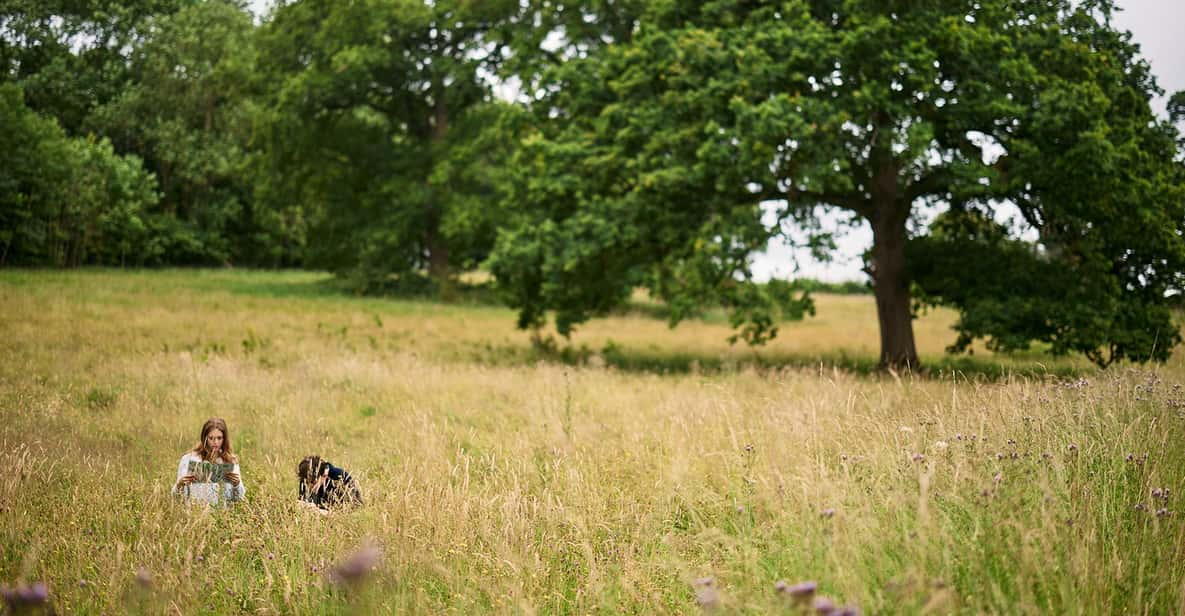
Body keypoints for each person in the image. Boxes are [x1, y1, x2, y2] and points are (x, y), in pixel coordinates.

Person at [173, 418, 245, 505]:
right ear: (205, 438)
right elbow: (176, 497)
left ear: (224, 439)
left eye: (219, 438)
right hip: (195, 514)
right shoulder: (189, 459)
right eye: (211, 438)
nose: (215, 442)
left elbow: (239, 499)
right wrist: (179, 485)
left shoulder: (231, 461)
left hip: (222, 515)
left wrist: (236, 485)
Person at [297, 455, 361, 513]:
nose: (310, 487)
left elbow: (355, 507)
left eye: (313, 483)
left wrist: (321, 512)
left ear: (324, 476)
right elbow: (303, 503)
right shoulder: (306, 477)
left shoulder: (341, 477)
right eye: (307, 483)